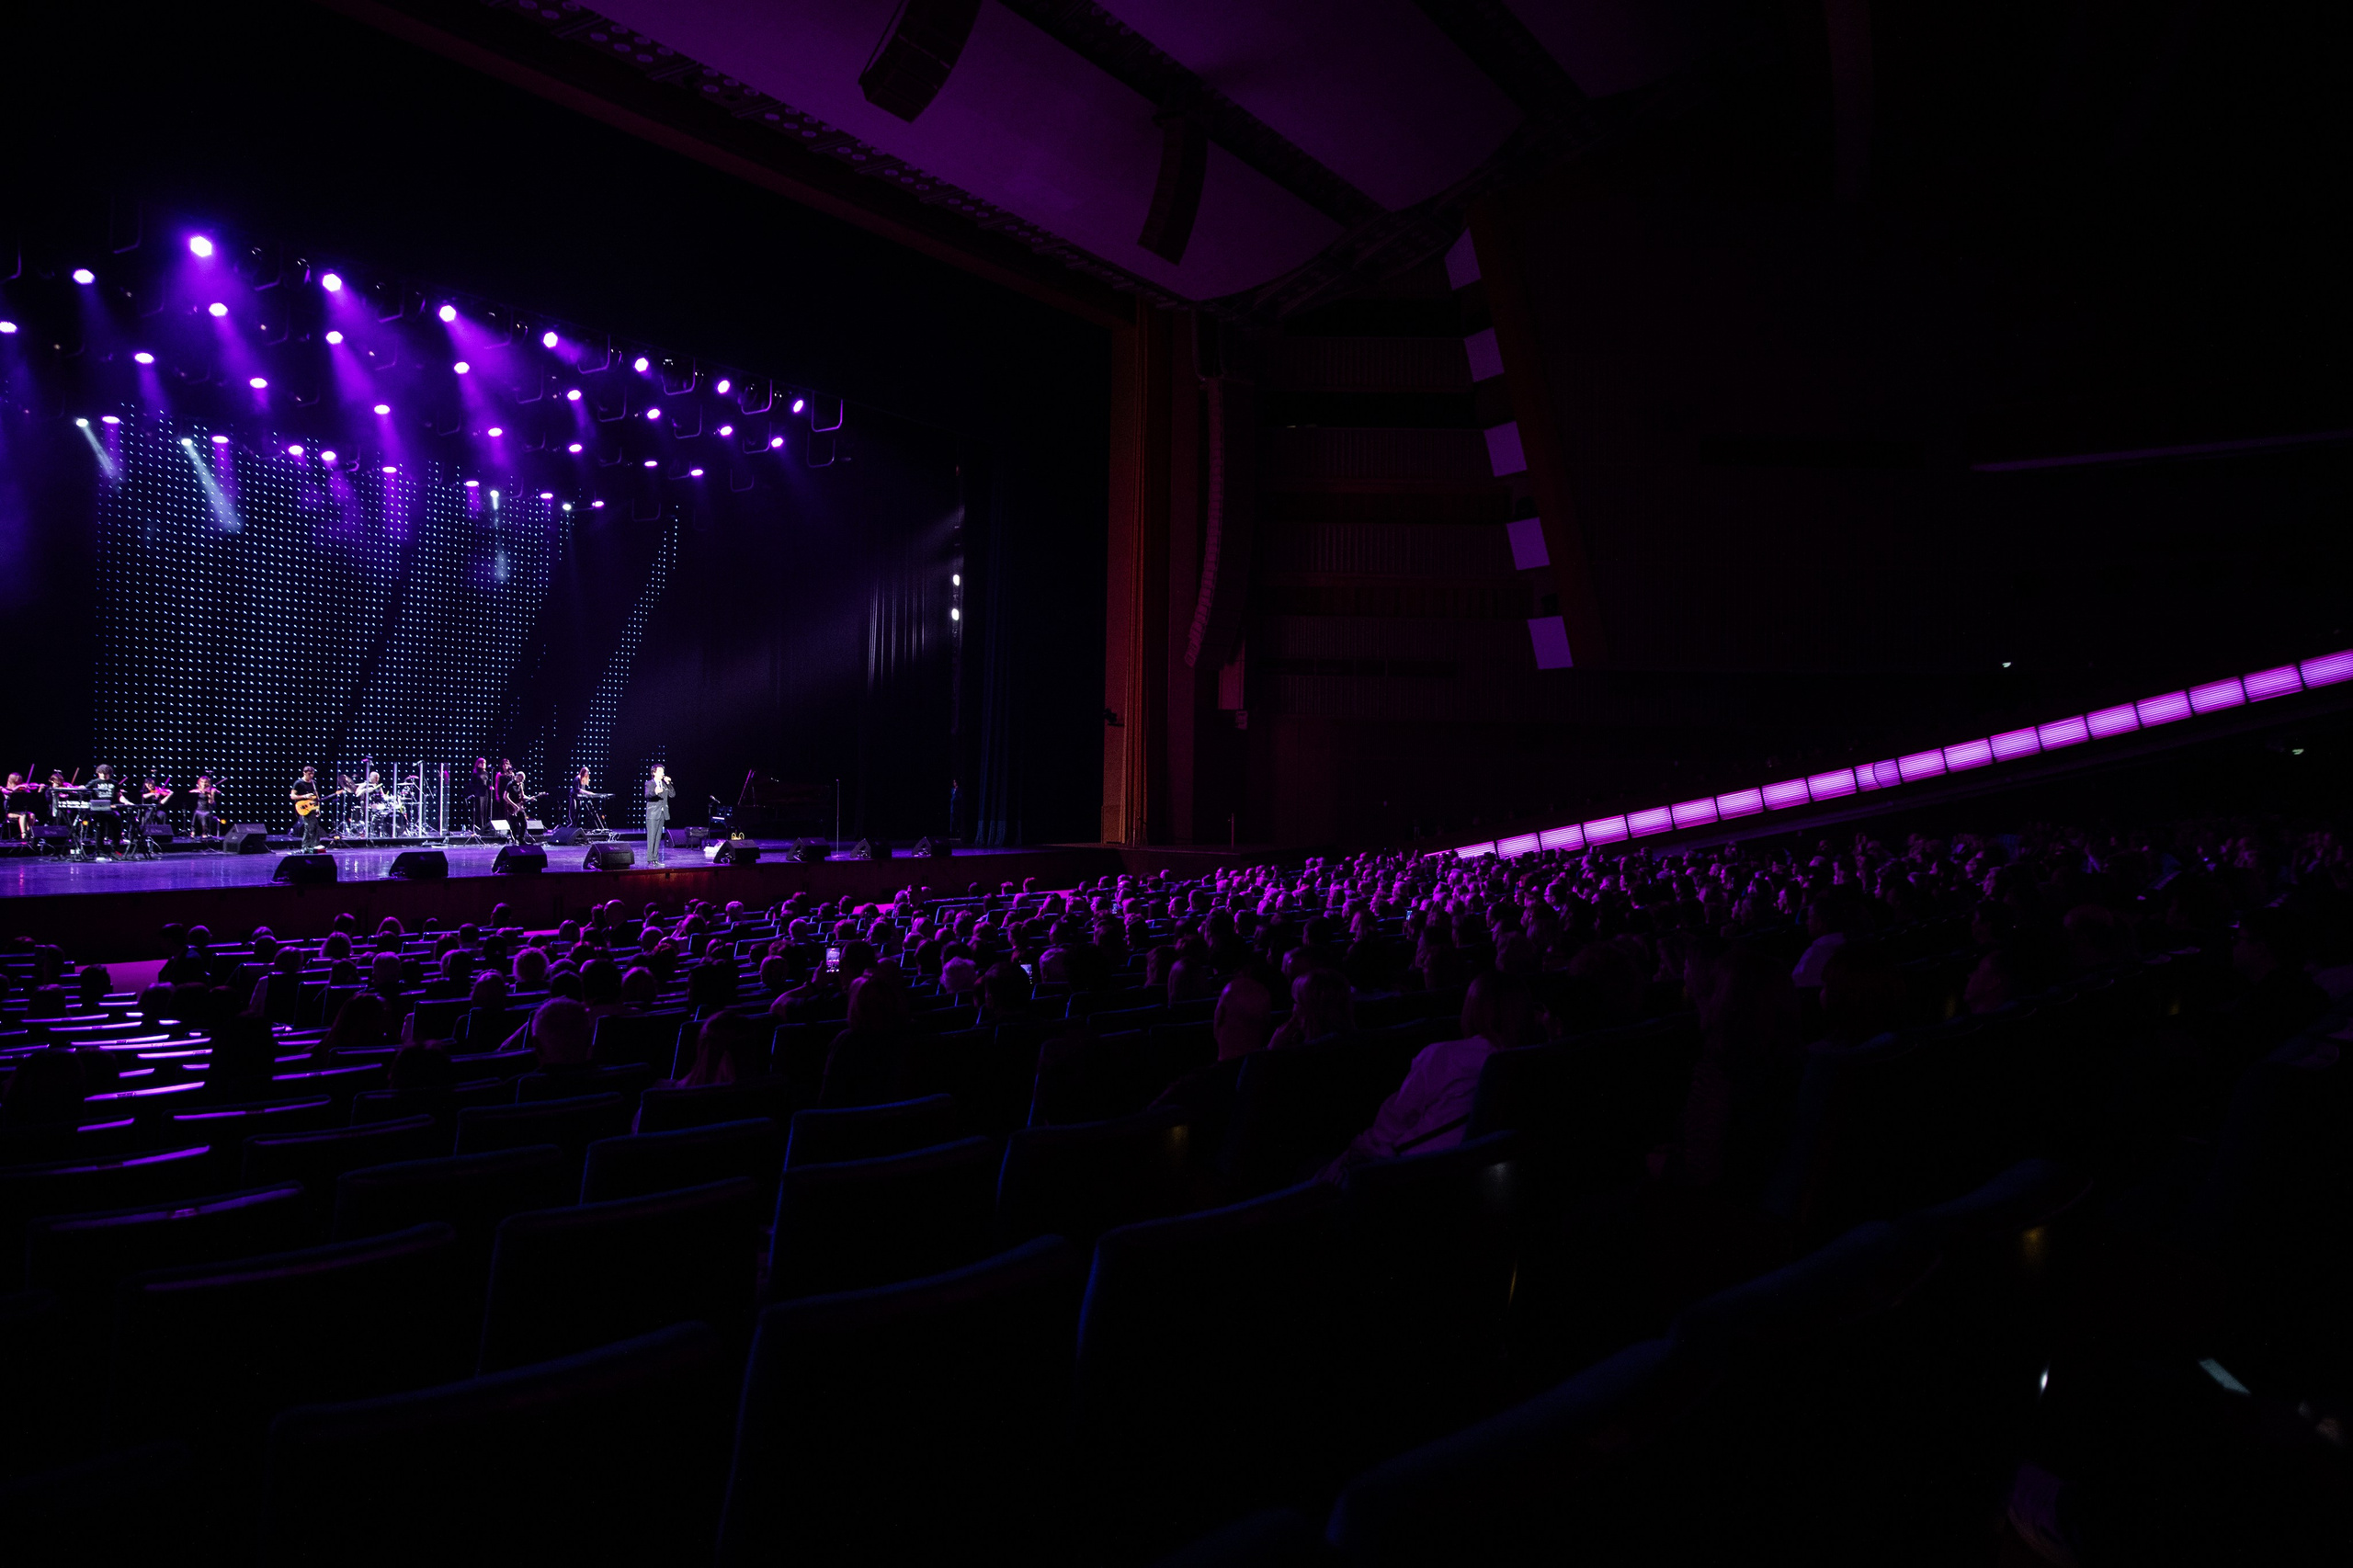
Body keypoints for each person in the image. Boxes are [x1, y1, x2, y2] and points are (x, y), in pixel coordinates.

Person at [1320, 971, 1535, 1179]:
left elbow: (1395, 1120)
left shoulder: (1445, 1056)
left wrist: (1357, 1151)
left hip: (1409, 1171)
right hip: (1468, 1171)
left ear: (1472, 1009)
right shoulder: (1533, 1059)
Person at [643, 764, 675, 867]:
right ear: (654, 773)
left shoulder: (664, 784)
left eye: (663, 771)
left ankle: (655, 859)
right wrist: (655, 792)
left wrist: (669, 783)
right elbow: (647, 795)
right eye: (660, 771)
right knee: (651, 837)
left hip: (662, 813)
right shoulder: (649, 783)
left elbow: (672, 794)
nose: (662, 773)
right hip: (652, 813)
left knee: (658, 837)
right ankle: (650, 859)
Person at [290, 766, 325, 852]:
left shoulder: (314, 783)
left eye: (313, 774)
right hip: (303, 807)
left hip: (312, 807)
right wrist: (305, 796)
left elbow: (317, 797)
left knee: (310, 827)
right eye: (309, 774)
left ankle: (305, 847)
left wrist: (318, 808)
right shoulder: (298, 783)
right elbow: (292, 796)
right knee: (311, 826)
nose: (311, 776)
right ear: (304, 773)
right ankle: (315, 845)